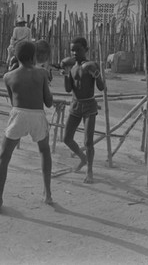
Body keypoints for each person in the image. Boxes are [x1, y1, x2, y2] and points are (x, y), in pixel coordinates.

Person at [0, 40, 54, 214]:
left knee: (4, 157)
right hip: (37, 116)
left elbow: (13, 102)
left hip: (18, 115)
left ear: (16, 56)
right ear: (34, 56)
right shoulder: (41, 73)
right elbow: (48, 103)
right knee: (44, 151)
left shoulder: (8, 77)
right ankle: (47, 193)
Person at [62, 37, 104, 184]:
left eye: (77, 50)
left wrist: (97, 75)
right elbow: (68, 89)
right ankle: (83, 158)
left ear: (86, 50)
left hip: (89, 106)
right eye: (72, 50)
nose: (74, 53)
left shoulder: (92, 65)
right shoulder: (72, 67)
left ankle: (90, 170)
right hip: (75, 105)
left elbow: (101, 87)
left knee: (88, 141)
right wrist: (66, 73)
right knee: (66, 138)